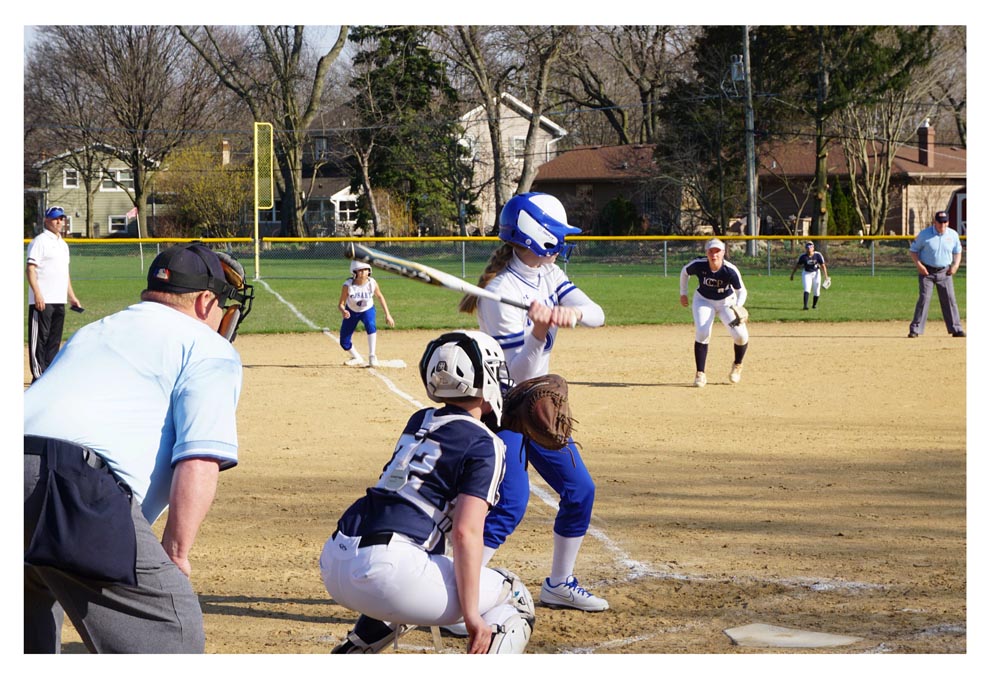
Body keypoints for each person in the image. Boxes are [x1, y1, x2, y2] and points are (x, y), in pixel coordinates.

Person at [24, 242, 254, 653]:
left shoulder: (96, 329)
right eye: (221, 301)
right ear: (204, 301)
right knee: (172, 631)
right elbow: (199, 457)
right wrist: (176, 553)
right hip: (71, 487)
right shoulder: (209, 348)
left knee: (28, 621)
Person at [319, 330, 536, 654]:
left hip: (335, 559)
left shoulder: (419, 419)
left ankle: (353, 652)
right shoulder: (488, 444)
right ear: (486, 377)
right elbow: (466, 532)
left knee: (422, 568)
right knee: (515, 596)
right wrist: (472, 616)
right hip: (389, 573)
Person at [457, 192, 609, 614]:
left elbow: (597, 312)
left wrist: (571, 314)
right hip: (505, 410)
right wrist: (539, 332)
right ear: (536, 236)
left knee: (580, 490)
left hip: (536, 404)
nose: (561, 242)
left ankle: (559, 584)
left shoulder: (549, 274)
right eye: (556, 234)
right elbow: (519, 375)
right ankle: (456, 596)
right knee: (510, 504)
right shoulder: (499, 293)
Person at [679, 237, 749, 387]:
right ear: (707, 252)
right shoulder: (699, 264)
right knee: (703, 332)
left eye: (717, 251)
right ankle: (700, 373)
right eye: (711, 251)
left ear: (723, 253)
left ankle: (737, 365)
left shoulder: (730, 270)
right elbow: (684, 272)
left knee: (741, 336)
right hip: (703, 300)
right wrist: (683, 293)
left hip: (726, 303)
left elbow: (741, 291)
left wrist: (737, 307)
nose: (714, 255)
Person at [26, 206, 82, 381]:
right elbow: (30, 269)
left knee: (54, 340)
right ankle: (38, 376)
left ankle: (48, 376)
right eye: (56, 218)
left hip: (59, 299)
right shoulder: (40, 241)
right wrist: (37, 294)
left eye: (62, 218)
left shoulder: (63, 245)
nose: (59, 221)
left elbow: (64, 274)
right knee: (39, 340)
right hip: (43, 299)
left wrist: (72, 297)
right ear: (47, 220)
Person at [908, 210, 965, 338]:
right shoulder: (924, 234)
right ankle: (915, 329)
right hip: (927, 272)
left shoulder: (953, 235)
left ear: (948, 222)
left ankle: (956, 328)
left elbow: (958, 251)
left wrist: (955, 266)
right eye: (940, 222)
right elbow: (913, 251)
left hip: (945, 272)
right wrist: (919, 266)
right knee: (924, 299)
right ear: (935, 222)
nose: (943, 225)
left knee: (950, 300)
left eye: (945, 222)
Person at [338, 260, 395, 367]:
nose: (364, 272)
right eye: (360, 270)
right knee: (344, 342)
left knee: (370, 324)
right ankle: (357, 357)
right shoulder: (348, 285)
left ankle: (372, 355)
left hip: (367, 309)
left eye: (366, 270)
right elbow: (341, 304)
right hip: (351, 312)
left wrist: (388, 314)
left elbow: (380, 297)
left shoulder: (371, 283)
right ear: (354, 272)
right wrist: (343, 310)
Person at [789, 241, 830, 310]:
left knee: (817, 291)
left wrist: (826, 276)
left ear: (813, 248)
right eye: (808, 247)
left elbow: (823, 266)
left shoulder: (818, 255)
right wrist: (792, 274)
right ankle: (805, 306)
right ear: (806, 248)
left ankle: (814, 305)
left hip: (816, 273)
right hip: (807, 273)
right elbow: (797, 266)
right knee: (807, 289)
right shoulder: (803, 256)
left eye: (811, 247)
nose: (809, 249)